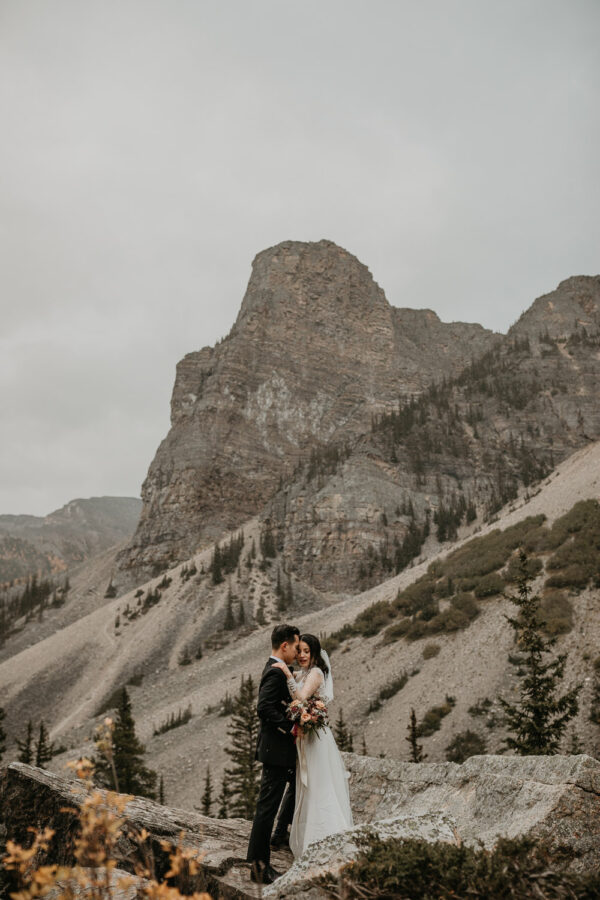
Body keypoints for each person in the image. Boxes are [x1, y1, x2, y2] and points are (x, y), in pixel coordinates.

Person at [271, 632, 353, 858]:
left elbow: (301, 696)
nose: (302, 655)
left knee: (314, 782)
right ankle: (285, 831)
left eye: (307, 651)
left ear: (315, 653)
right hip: (305, 735)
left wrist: (286, 673)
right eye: (300, 651)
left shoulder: (316, 673)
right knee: (301, 783)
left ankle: (320, 834)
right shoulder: (306, 672)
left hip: (315, 738)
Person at [246, 623, 300, 885]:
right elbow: (264, 707)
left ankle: (260, 862)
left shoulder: (278, 669)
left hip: (277, 752)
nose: (298, 651)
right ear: (285, 645)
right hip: (275, 751)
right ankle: (259, 868)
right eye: (296, 646)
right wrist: (290, 727)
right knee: (266, 809)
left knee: (267, 807)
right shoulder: (276, 672)